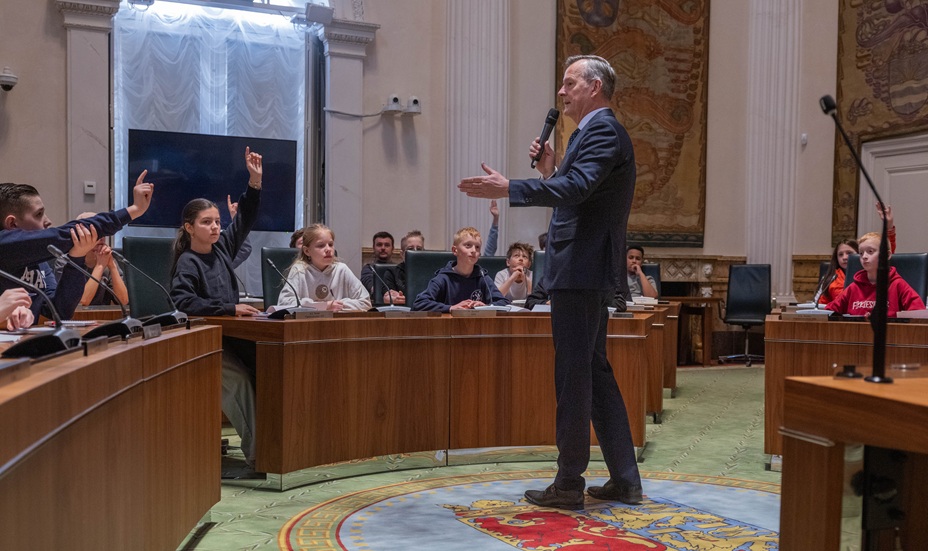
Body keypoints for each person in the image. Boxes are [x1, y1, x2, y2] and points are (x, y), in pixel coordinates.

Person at [459, 54, 642, 510]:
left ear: (595, 86)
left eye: (569, 83)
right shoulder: (589, 132)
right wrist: (550, 171)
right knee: (595, 376)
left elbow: (577, 190)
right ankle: (624, 478)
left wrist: (512, 187)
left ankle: (568, 483)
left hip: (580, 272)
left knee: (574, 377)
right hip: (583, 270)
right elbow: (579, 189)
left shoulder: (601, 129)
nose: (561, 93)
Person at [169, 147, 263, 473]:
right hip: (202, 343)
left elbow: (245, 220)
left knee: (265, 367)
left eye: (217, 222)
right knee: (238, 380)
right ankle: (258, 455)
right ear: (189, 228)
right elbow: (184, 303)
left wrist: (253, 182)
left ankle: (275, 447)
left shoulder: (221, 248)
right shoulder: (187, 261)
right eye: (206, 222)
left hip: (230, 337)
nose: (214, 227)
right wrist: (230, 308)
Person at [0, 174, 154, 321]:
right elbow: (65, 233)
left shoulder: (40, 262)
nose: (48, 221)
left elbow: (59, 311)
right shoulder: (4, 247)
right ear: (12, 224)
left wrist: (77, 256)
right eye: (39, 214)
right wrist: (134, 210)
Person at [826, 231, 924, 317]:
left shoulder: (898, 285)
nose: (864, 256)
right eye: (861, 253)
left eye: (870, 251)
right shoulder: (853, 288)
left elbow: (919, 315)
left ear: (887, 255)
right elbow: (828, 312)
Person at [815, 202, 897, 305]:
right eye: (840, 254)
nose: (845, 257)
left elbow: (886, 249)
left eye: (849, 253)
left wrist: (888, 227)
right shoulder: (831, 276)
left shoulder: (869, 271)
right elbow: (819, 304)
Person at [412, 226, 509, 312]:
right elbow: (419, 303)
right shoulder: (444, 277)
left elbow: (503, 302)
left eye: (477, 247)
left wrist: (487, 307)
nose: (473, 250)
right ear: (455, 250)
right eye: (468, 245)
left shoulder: (482, 277)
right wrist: (450, 308)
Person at [277, 224, 372, 311]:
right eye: (321, 245)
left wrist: (338, 305)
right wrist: (323, 306)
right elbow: (284, 303)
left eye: (330, 244)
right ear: (307, 251)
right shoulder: (299, 270)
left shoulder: (341, 269)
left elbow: (366, 302)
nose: (328, 249)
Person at [382, 229, 425, 305]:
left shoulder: (432, 272)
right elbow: (388, 297)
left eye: (419, 249)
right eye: (410, 249)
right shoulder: (391, 273)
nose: (415, 252)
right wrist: (394, 299)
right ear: (402, 254)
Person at [360, 231, 396, 296]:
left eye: (387, 245)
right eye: (379, 245)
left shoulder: (398, 268)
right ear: (373, 248)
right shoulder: (368, 268)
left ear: (393, 248)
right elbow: (371, 286)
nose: (383, 248)